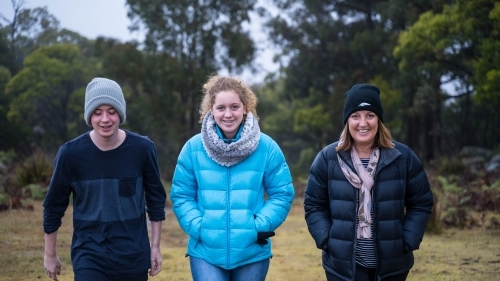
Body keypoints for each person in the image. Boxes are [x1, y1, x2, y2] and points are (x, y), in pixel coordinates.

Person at [170, 75, 295, 281]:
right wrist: (200, 228)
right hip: (205, 253)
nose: (228, 114)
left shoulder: (267, 147)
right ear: (211, 109)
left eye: (234, 107)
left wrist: (258, 227)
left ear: (245, 107)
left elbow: (282, 193)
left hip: (252, 253)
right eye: (221, 108)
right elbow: (182, 195)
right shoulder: (192, 148)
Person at [304, 84, 434, 281]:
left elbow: (421, 203)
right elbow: (314, 204)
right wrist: (327, 239)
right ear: (347, 120)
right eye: (355, 116)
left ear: (379, 120)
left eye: (370, 115)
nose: (363, 123)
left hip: (393, 264)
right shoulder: (328, 158)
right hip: (343, 266)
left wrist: (407, 240)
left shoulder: (403, 157)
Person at [43, 77, 167, 281]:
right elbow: (53, 207)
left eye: (112, 111)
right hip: (89, 257)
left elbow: (155, 201)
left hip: (133, 257)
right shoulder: (70, 154)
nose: (105, 119)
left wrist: (155, 247)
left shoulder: (142, 149)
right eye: (97, 112)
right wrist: (50, 254)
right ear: (89, 115)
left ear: (121, 113)